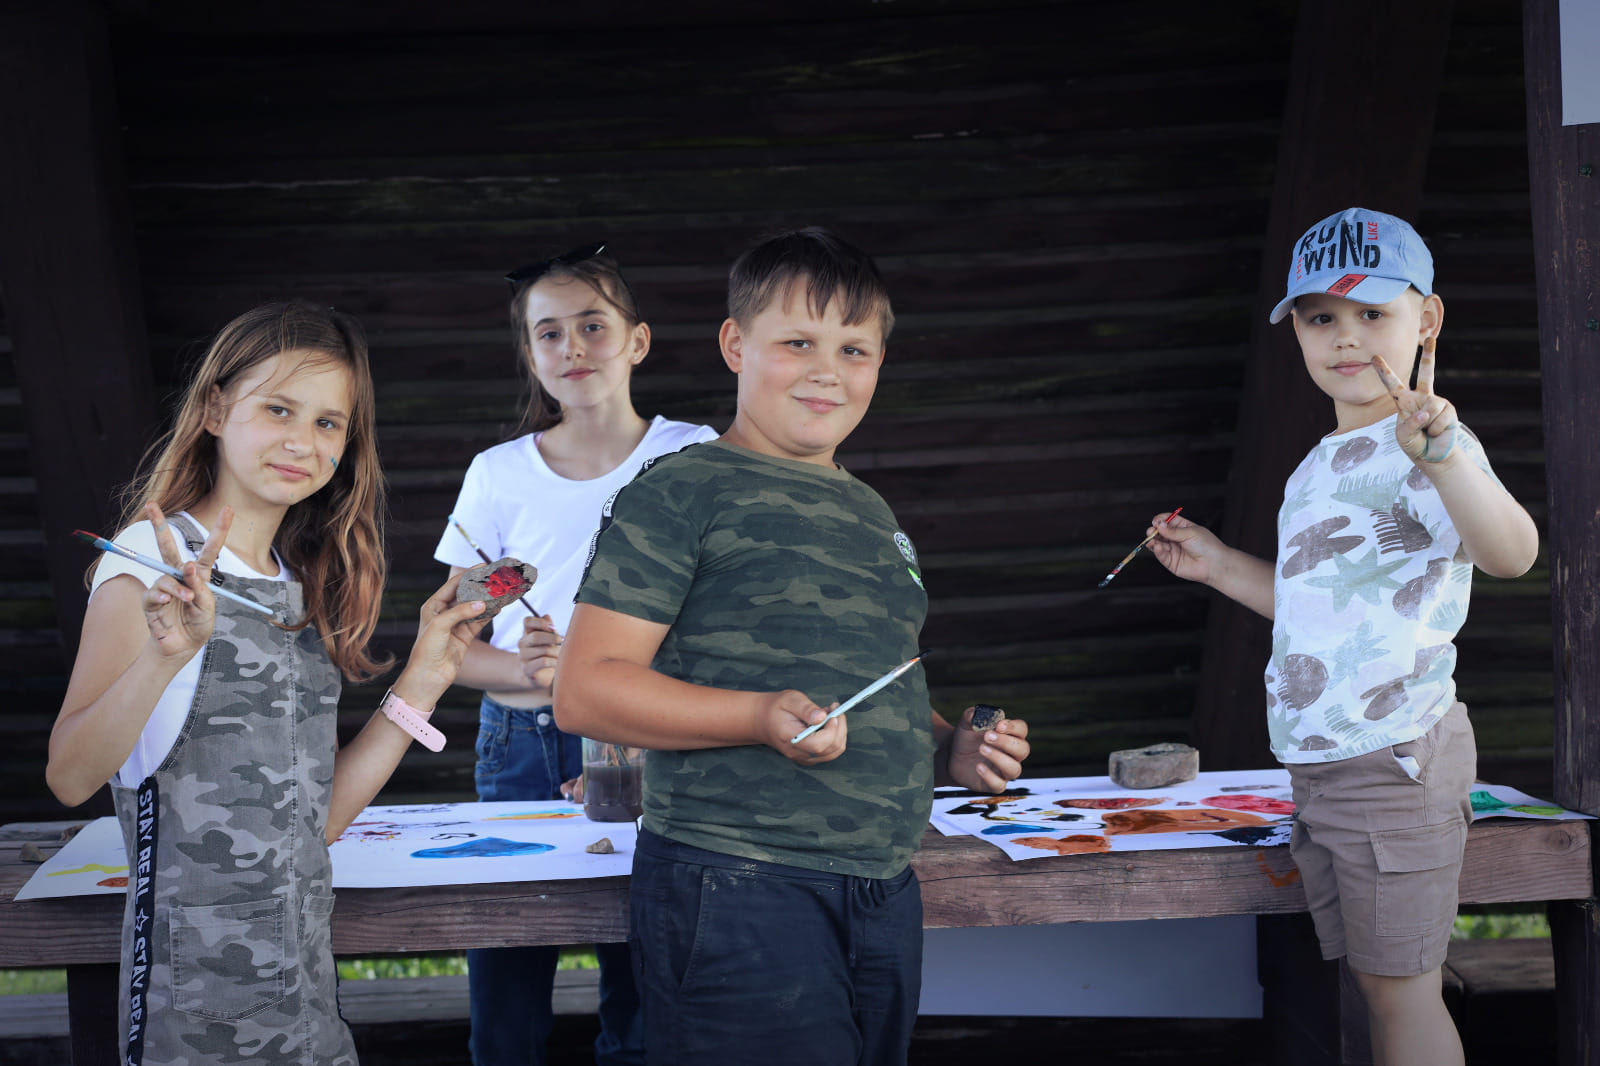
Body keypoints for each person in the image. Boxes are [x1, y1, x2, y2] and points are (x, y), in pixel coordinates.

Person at [554, 227, 1032, 1066]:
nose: (827, 371)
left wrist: (946, 749)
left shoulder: (872, 512)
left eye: (854, 349)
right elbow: (585, 691)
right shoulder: (683, 491)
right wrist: (757, 716)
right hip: (735, 883)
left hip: (882, 887)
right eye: (798, 343)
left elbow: (869, 683)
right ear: (736, 346)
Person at [45, 300, 490, 1066]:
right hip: (194, 1020)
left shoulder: (298, 584)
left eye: (328, 423)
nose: (302, 441)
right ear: (216, 409)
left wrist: (425, 678)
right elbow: (70, 775)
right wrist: (164, 657)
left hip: (309, 1012)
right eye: (278, 409)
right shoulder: (148, 565)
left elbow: (316, 821)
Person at [1146, 207, 1539, 1066]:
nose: (1346, 336)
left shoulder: (1431, 441)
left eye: (1372, 313)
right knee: (1373, 988)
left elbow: (1513, 553)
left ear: (1426, 320)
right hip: (1323, 768)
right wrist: (1219, 566)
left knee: (1404, 994)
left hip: (1393, 758)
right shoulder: (1319, 462)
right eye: (1321, 317)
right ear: (1296, 332)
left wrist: (1444, 457)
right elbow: (1317, 609)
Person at [433, 243, 715, 1066]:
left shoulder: (693, 454)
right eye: (549, 333)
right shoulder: (499, 475)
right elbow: (450, 645)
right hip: (522, 743)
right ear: (530, 355)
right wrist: (525, 669)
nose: (573, 347)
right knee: (509, 962)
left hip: (647, 736)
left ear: (638, 340)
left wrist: (627, 700)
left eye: (594, 325)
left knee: (642, 951)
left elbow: (719, 622)